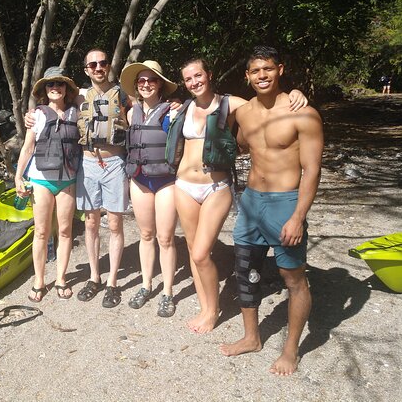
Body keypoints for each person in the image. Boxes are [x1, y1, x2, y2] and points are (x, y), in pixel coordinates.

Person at [170, 58, 308, 334]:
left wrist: (295, 93)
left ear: (209, 75)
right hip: (184, 184)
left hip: (215, 186)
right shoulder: (184, 107)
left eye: (198, 75)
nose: (194, 82)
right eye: (188, 79)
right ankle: (206, 307)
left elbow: (265, 104)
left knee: (200, 253)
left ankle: (214, 310)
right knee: (192, 250)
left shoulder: (230, 103)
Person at [219, 46, 323, 377]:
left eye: (267, 69)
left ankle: (290, 350)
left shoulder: (303, 114)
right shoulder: (243, 112)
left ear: (279, 69)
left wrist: (297, 216)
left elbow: (313, 170)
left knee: (292, 278)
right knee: (245, 272)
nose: (262, 76)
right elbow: (235, 142)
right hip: (251, 202)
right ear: (247, 77)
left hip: (285, 203)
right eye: (255, 71)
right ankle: (252, 337)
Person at [25, 49, 131, 308]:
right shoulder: (80, 96)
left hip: (114, 162)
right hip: (87, 163)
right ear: (86, 69)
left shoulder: (124, 94)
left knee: (115, 224)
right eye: (92, 64)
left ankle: (113, 282)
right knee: (92, 223)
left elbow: (146, 105)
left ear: (108, 66)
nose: (98, 67)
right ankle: (94, 277)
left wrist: (173, 104)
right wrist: (31, 114)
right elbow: (51, 107)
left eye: (102, 63)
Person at [15, 67, 82, 302]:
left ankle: (61, 278)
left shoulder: (78, 112)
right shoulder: (38, 114)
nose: (55, 88)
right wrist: (18, 176)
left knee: (65, 232)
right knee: (41, 232)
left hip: (68, 180)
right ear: (45, 89)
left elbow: (94, 93)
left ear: (67, 89)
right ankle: (39, 280)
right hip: (41, 180)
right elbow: (28, 147)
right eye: (50, 85)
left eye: (60, 84)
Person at [119, 60, 179, 317]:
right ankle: (146, 284)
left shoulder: (173, 111)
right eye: (141, 81)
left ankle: (168, 291)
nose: (146, 84)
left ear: (161, 84)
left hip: (165, 181)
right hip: (140, 179)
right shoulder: (131, 113)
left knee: (165, 238)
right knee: (145, 235)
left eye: (151, 80)